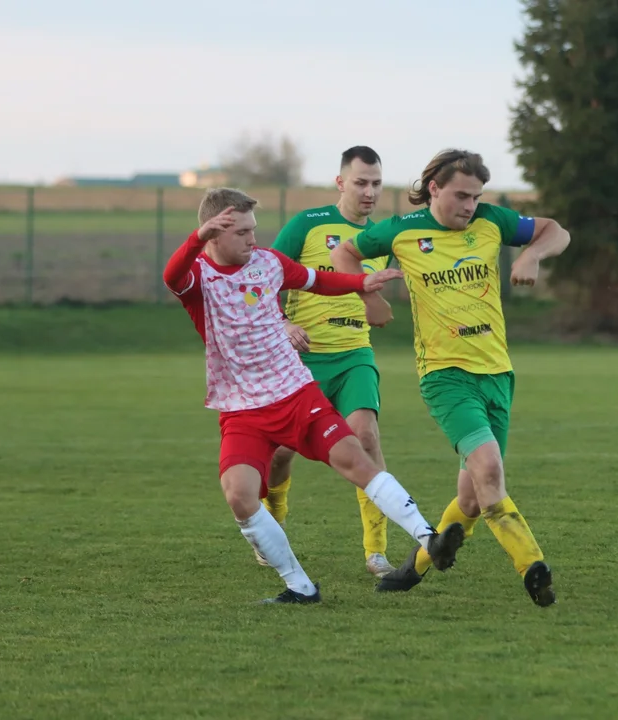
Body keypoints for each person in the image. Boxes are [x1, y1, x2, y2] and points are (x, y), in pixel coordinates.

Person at [163, 186, 464, 604]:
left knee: (355, 458)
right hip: (241, 410)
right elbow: (170, 276)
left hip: (294, 393)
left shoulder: (267, 263)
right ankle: (299, 586)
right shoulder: (199, 276)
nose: (253, 239)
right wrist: (194, 240)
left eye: (254, 229)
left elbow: (317, 280)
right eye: (242, 232)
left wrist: (361, 282)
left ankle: (429, 538)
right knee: (239, 494)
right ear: (213, 234)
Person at [331, 149, 570, 607]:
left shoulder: (492, 221)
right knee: (489, 470)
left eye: (476, 197)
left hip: (498, 373)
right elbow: (345, 252)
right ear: (435, 189)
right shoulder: (402, 231)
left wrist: (533, 254)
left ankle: (414, 567)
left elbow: (557, 231)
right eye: (461, 195)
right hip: (445, 375)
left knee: (473, 498)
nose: (469, 206)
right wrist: (366, 297)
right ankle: (532, 567)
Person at [261, 146, 397, 579]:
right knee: (281, 453)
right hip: (302, 360)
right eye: (361, 182)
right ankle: (274, 526)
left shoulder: (379, 239)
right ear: (341, 182)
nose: (369, 191)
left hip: (355, 354)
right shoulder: (308, 224)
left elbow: (373, 302)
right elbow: (261, 279)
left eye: (376, 183)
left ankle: (376, 551)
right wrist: (281, 322)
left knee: (365, 437)